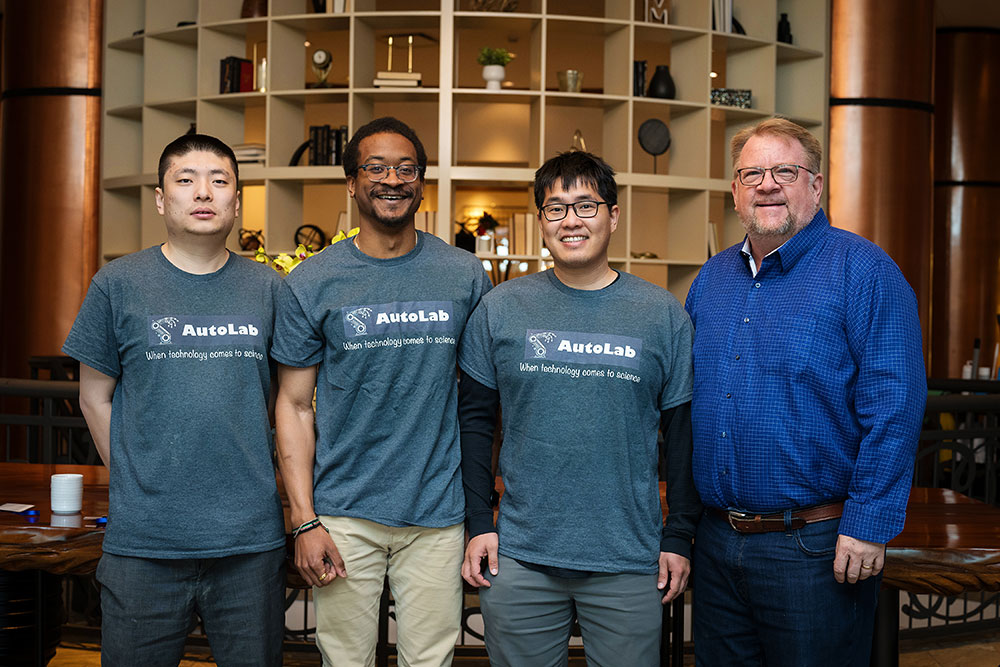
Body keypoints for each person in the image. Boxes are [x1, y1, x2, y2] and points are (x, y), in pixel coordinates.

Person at [684, 118, 926, 666]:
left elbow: (895, 408)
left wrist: (868, 525)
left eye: (784, 172)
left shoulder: (864, 273)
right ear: (735, 192)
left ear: (815, 185)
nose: (767, 184)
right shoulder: (712, 280)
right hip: (719, 542)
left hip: (815, 548)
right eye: (752, 174)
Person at [459, 151, 701, 666]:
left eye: (586, 206)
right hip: (520, 555)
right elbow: (475, 424)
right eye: (555, 208)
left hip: (629, 556)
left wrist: (678, 534)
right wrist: (480, 523)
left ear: (614, 216)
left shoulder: (662, 315)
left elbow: (683, 435)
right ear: (541, 223)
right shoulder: (500, 309)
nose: (571, 220)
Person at [272, 116, 492, 666]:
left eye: (406, 168)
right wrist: (304, 518)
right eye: (375, 167)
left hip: (438, 514)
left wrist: (479, 511)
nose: (391, 179)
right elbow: (294, 405)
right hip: (343, 513)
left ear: (421, 182)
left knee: (432, 662)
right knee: (344, 661)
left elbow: (482, 399)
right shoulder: (312, 281)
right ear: (351, 182)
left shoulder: (464, 274)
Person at [63, 134, 286, 666]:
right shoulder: (117, 284)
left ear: (238, 200)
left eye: (219, 180)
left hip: (250, 541)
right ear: (162, 199)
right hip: (144, 542)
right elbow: (94, 397)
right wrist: (136, 475)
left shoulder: (270, 288)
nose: (203, 192)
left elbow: (290, 402)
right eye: (185, 180)